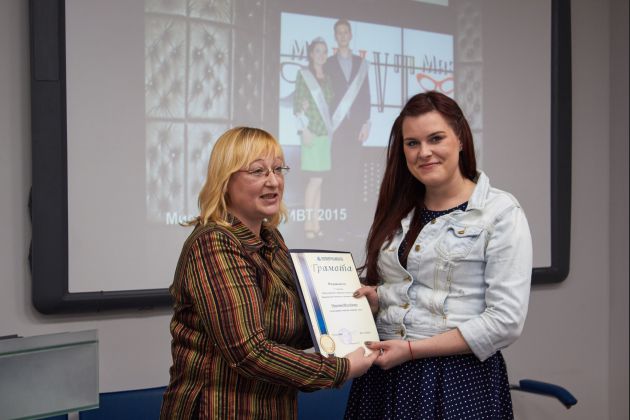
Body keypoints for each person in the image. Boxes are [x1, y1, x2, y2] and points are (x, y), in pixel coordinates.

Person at [160, 127, 377, 419]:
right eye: (258, 171)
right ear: (225, 180)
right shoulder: (213, 243)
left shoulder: (270, 239)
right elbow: (249, 352)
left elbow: (291, 326)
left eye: (278, 169)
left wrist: (357, 310)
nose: (273, 181)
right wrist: (341, 368)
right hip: (219, 410)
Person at [345, 92, 532, 419]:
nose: (424, 152)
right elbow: (408, 289)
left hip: (457, 380)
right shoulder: (400, 209)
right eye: (412, 143)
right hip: (386, 374)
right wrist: (380, 298)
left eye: (435, 138)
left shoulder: (500, 212)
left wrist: (412, 350)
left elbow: (505, 322)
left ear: (459, 139)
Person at [324, 19, 371, 232]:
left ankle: (351, 219)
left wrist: (366, 123)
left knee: (354, 173)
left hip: (356, 128)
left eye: (346, 32)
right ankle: (338, 220)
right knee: (337, 173)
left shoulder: (361, 64)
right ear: (336, 37)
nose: (343, 35)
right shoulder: (328, 63)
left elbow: (366, 95)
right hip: (336, 128)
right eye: (339, 32)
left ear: (350, 35)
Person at [293, 37, 334, 239]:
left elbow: (330, 105)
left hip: (324, 134)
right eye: (318, 51)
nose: (321, 55)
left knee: (320, 181)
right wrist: (304, 130)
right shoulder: (304, 75)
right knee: (314, 180)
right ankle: (308, 225)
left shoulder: (328, 78)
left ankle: (315, 223)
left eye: (324, 51)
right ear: (311, 54)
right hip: (310, 133)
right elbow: (296, 106)